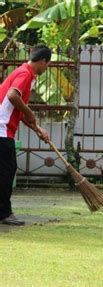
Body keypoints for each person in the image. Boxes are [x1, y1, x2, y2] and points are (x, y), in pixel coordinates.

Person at [0, 44, 51, 226]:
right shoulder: (25, 73)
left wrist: (37, 129)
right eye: (47, 65)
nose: (46, 68)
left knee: (5, 171)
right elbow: (13, 96)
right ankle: (4, 213)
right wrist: (30, 112)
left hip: (4, 129)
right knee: (7, 170)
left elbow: (18, 112)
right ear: (43, 61)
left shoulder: (24, 72)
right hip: (2, 129)